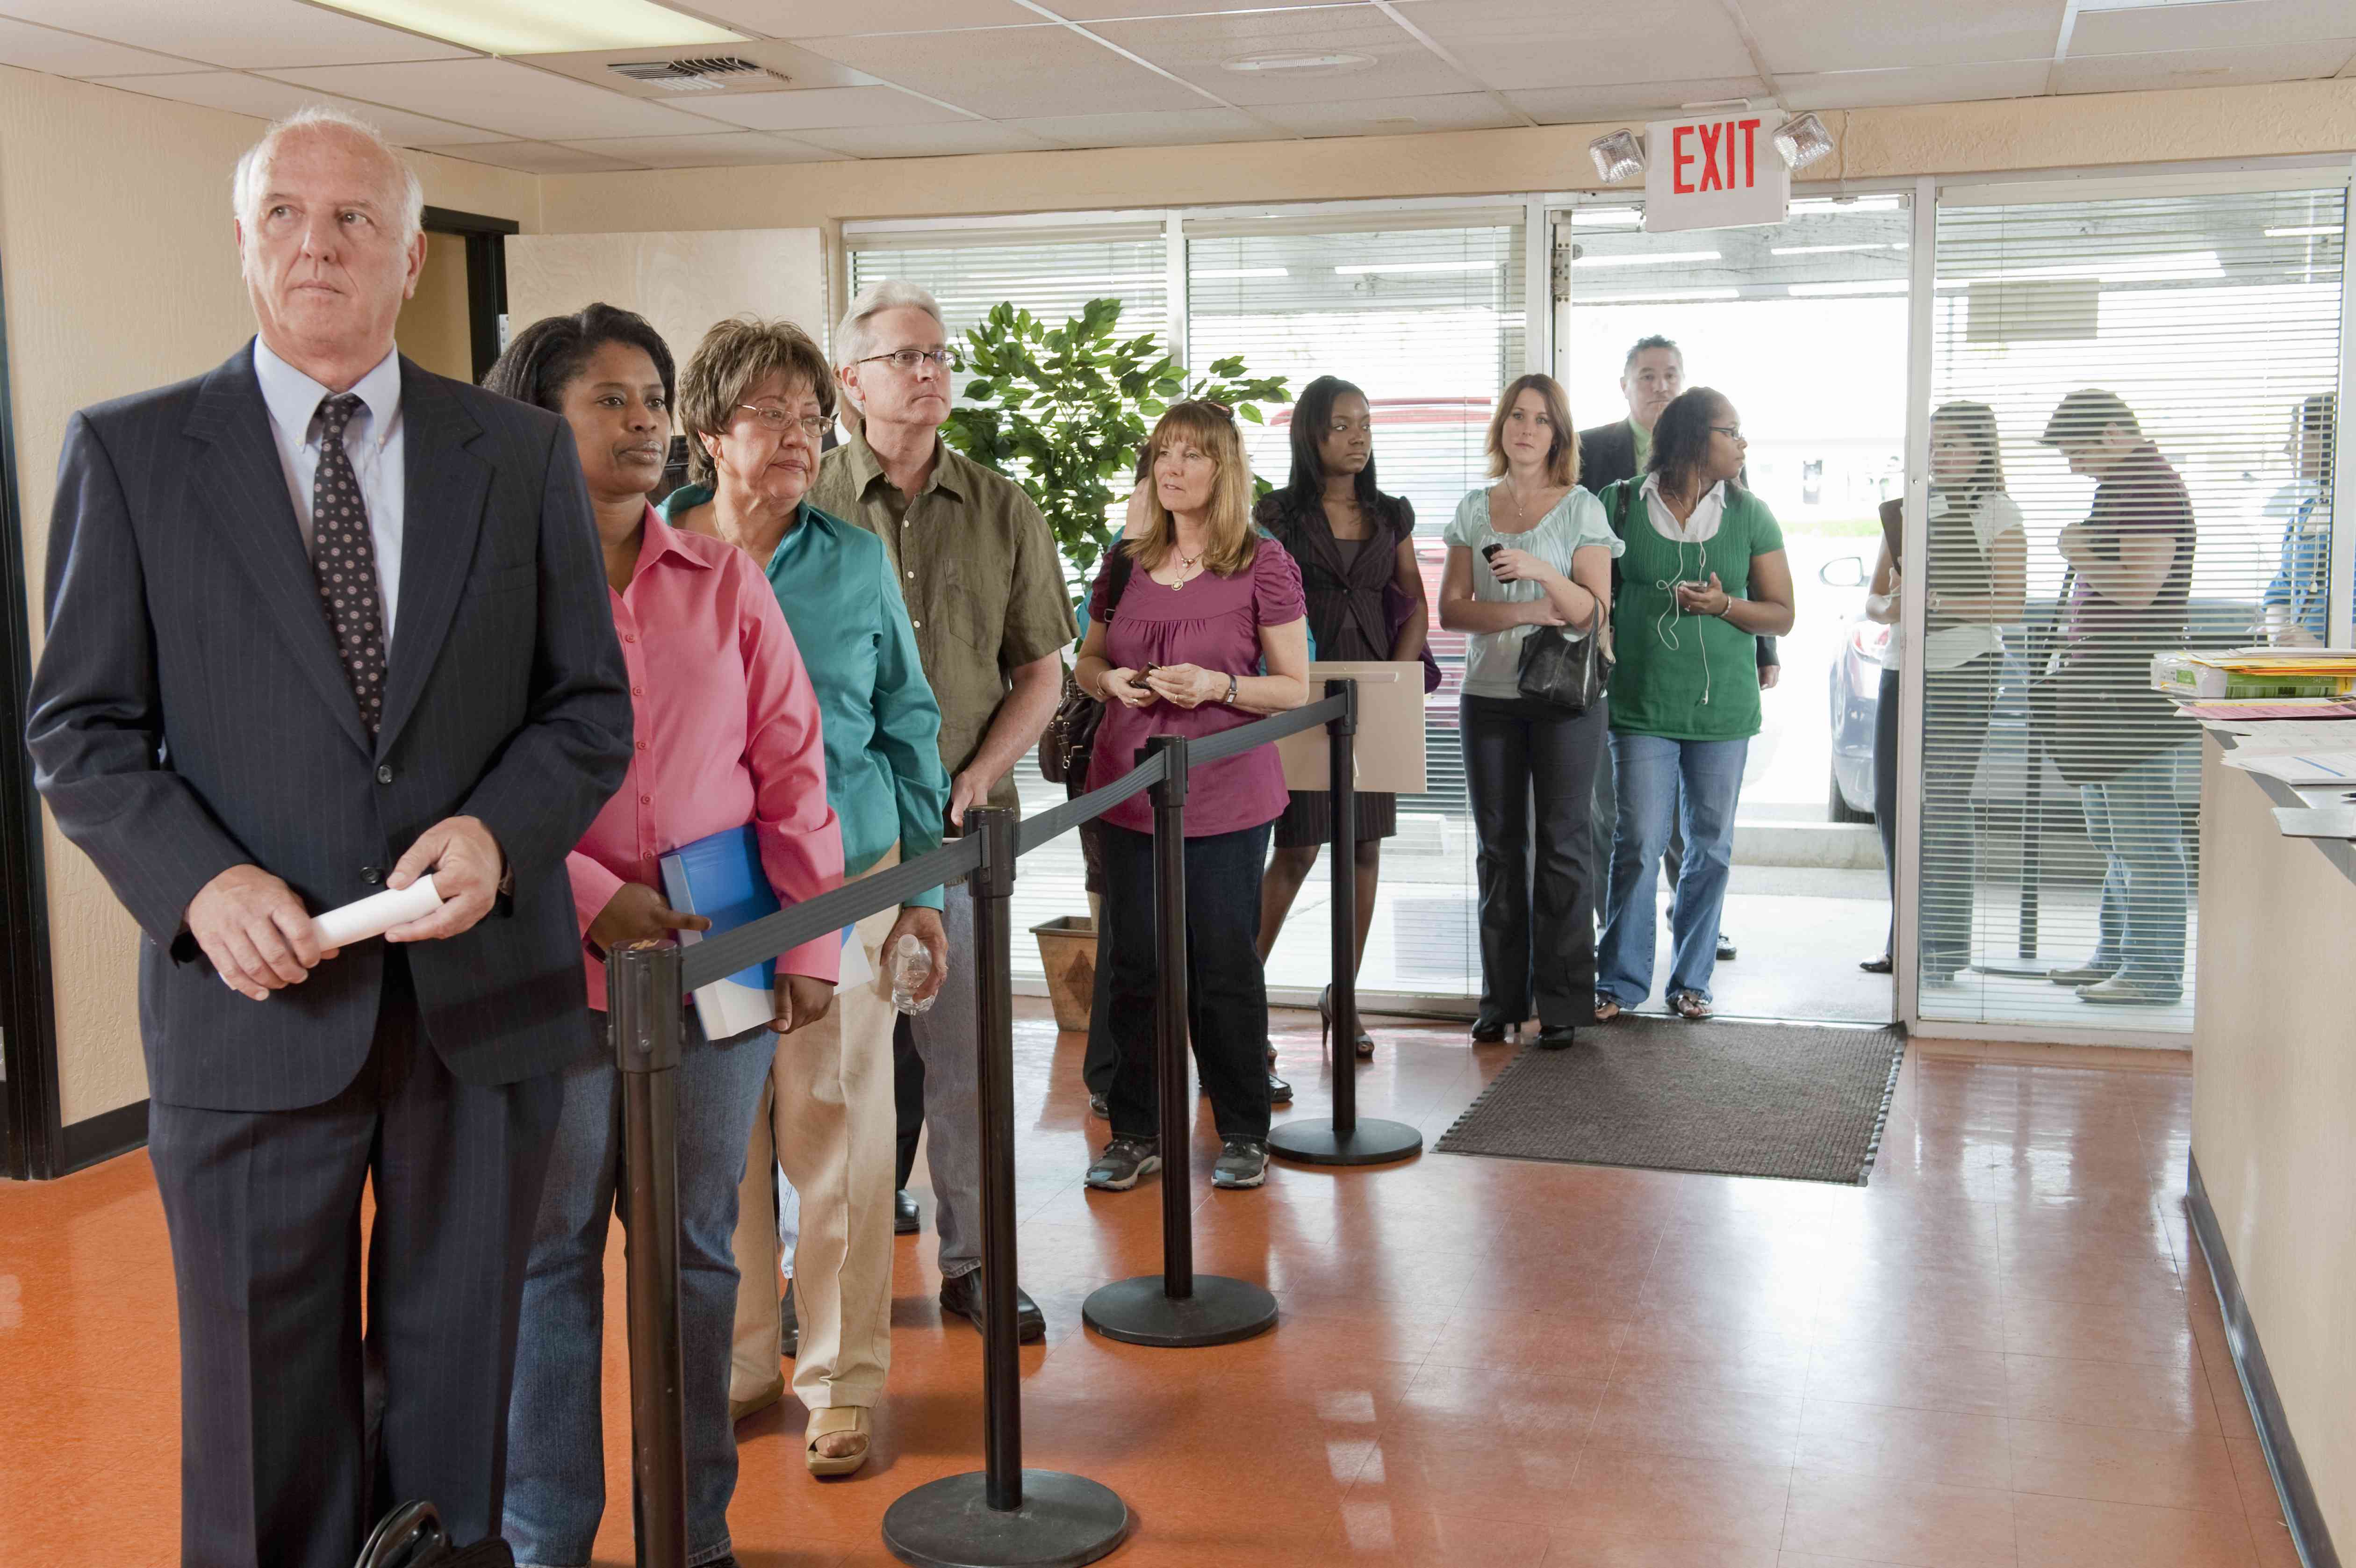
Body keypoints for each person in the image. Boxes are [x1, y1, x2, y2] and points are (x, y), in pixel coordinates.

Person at [23, 108, 635, 1568]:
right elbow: (81, 731)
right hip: (249, 1014)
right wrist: (200, 880)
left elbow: (587, 711)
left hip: (479, 1013)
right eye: (285, 214)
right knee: (257, 1430)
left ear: (411, 255)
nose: (318, 242)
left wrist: (496, 830)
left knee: (455, 1412)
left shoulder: (523, 453)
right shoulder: (130, 454)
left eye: (355, 218)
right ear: (243, 243)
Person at [480, 305, 845, 1568]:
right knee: (552, 1258)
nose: (643, 423)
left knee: (696, 1253)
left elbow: (792, 767)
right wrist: (587, 894)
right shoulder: (491, 590)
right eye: (610, 401)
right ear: (541, 420)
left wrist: (805, 949)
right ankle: (546, 1538)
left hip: (720, 951)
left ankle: (689, 1535)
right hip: (551, 960)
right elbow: (456, 779)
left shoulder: (723, 578)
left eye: (652, 399)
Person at [659, 316, 950, 1479]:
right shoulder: (648, 548)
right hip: (704, 891)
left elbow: (909, 722)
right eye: (769, 415)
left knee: (839, 1130)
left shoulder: (853, 557)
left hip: (848, 878)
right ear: (706, 429)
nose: (797, 437)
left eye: (808, 417)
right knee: (717, 1140)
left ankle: (840, 1379)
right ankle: (738, 1362)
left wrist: (922, 884)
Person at [809, 280, 1070, 1341]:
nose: (928, 374)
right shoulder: (807, 502)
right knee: (834, 1076)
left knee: (965, 1066)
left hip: (967, 837)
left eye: (937, 356)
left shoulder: (1004, 507)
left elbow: (1042, 672)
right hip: (837, 843)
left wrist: (974, 778)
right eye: (905, 357)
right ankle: (824, 1288)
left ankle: (975, 1265)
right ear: (851, 381)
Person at [1078, 401, 1310, 1193]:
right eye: (1162, 455)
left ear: (1224, 468)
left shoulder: (1262, 562)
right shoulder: (1125, 559)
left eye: (1191, 455)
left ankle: (1243, 1126)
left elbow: (1294, 686)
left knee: (1222, 962)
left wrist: (1219, 684)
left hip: (1227, 795)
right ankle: (1134, 1130)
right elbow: (1086, 661)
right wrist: (1109, 679)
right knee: (1135, 964)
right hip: (1129, 788)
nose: (1172, 469)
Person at [1594, 388, 1796, 1021]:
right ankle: (1620, 982)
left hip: (1722, 708)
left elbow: (1783, 614)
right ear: (1693, 438)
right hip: (1642, 702)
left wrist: (1725, 606)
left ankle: (1691, 981)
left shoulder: (1751, 512)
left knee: (1709, 845)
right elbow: (1596, 595)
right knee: (1640, 841)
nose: (1741, 443)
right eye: (1731, 431)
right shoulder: (1620, 501)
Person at [1440, 374, 1620, 1049]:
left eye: (1541, 420)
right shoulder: (1473, 508)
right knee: (1498, 849)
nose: (1526, 429)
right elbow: (1453, 610)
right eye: (1517, 416)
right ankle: (1501, 999)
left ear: (1558, 435)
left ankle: (1565, 1004)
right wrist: (1525, 610)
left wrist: (1544, 574)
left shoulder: (1582, 509)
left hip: (1565, 699)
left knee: (1564, 847)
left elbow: (1593, 610)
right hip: (1487, 697)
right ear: (1502, 427)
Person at [1253, 376, 1427, 1061]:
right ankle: (1239, 999)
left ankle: (1344, 998)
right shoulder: (1278, 514)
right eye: (1341, 426)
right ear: (1311, 435)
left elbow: (1412, 602)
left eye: (1365, 424)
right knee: (1295, 850)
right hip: (1301, 685)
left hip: (1374, 688)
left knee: (1364, 847)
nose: (1358, 437)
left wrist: (1401, 679)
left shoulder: (1392, 513)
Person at [2037, 390, 2196, 1006]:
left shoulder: (2150, 487)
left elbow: (2138, 590)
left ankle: (2152, 970)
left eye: (2078, 450)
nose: (2074, 464)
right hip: (2103, 683)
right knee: (2115, 833)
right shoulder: (2124, 486)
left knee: (2144, 834)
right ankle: (2118, 954)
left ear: (2111, 433)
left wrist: (2079, 552)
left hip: (2126, 688)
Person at [1859, 402, 2025, 980]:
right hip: (1901, 667)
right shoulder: (1907, 508)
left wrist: (1938, 603)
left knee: (1945, 807)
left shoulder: (1998, 510)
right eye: (1933, 443)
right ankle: (1905, 940)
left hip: (1967, 666)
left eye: (1953, 443)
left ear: (1982, 450)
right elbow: (1873, 600)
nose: (1940, 453)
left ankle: (1945, 951)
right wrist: (1899, 605)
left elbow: (2011, 604)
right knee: (1890, 802)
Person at [2260, 393, 2336, 646]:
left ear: (2326, 439)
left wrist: (2321, 645)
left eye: (2295, 435)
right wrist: (2279, 638)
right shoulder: (2303, 514)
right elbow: (2280, 593)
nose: (2286, 448)